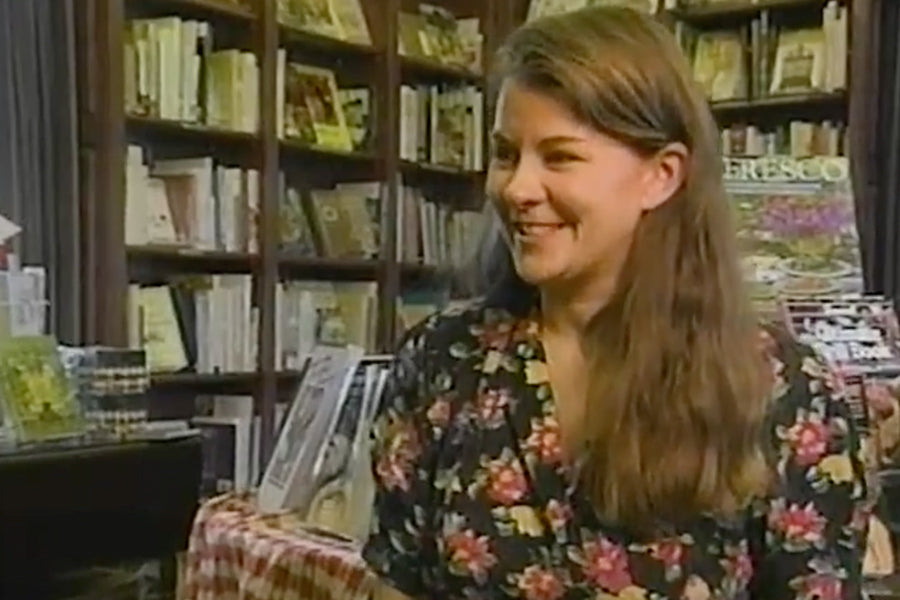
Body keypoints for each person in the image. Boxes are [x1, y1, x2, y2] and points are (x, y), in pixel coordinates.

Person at [362, 7, 867, 600]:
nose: (518, 189)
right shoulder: (442, 361)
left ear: (662, 175)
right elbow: (395, 583)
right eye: (506, 155)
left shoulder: (785, 394)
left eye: (560, 157)